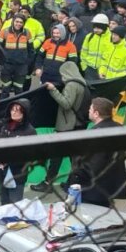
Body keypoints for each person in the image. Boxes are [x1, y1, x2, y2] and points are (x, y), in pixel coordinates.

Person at [33, 62, 90, 192]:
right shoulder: (83, 84)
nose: (62, 77)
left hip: (66, 126)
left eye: (62, 74)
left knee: (56, 156)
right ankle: (73, 182)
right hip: (77, 126)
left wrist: (53, 90)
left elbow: (66, 104)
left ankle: (48, 183)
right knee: (74, 158)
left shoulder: (72, 85)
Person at [69, 98, 126, 207]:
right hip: (110, 186)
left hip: (92, 188)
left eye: (90, 109)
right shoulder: (119, 128)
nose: (88, 111)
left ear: (96, 114)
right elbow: (122, 155)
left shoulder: (96, 133)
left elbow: (92, 164)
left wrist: (76, 175)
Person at [0, 100, 37, 204]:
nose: (14, 112)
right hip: (0, 171)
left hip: (17, 173)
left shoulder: (30, 131)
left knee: (15, 204)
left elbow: (31, 156)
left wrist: (9, 160)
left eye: (18, 110)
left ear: (24, 113)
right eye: (12, 109)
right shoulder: (2, 123)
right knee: (4, 201)